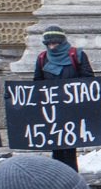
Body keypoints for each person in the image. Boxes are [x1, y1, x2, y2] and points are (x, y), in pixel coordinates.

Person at [33, 24, 94, 171]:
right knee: (56, 148)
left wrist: (94, 92)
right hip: (52, 112)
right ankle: (59, 179)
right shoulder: (42, 58)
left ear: (62, 42)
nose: (52, 47)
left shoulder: (76, 55)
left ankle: (72, 178)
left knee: (70, 148)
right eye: (49, 43)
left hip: (72, 110)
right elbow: (37, 83)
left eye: (55, 43)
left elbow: (88, 79)